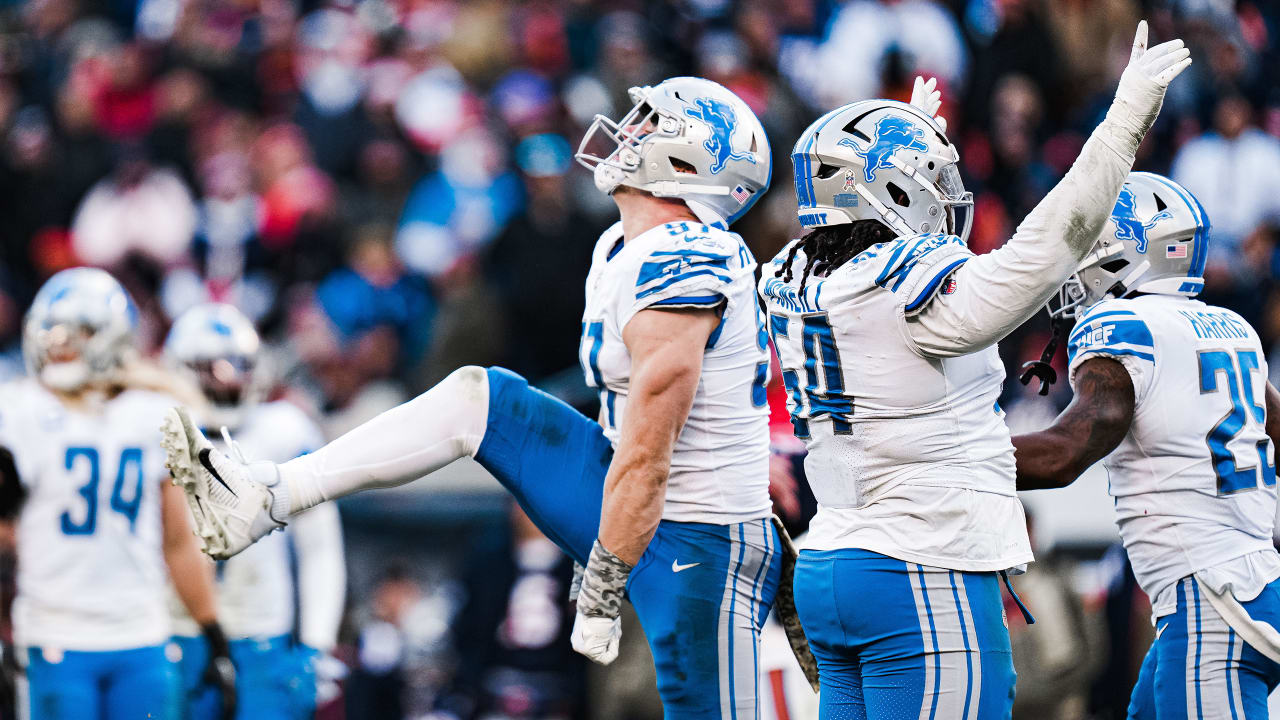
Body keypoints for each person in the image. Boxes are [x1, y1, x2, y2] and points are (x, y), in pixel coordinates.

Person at [163, 76, 781, 718]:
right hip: (629, 498)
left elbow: (652, 449)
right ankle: (263, 499)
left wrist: (604, 575)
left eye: (653, 124)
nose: (630, 131)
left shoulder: (689, 257)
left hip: (700, 537)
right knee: (480, 396)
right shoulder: (623, 246)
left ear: (689, 163)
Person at [759, 22, 1189, 719]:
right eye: (926, 178)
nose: (944, 191)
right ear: (893, 195)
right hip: (920, 567)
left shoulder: (788, 274)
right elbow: (1044, 251)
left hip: (833, 562)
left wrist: (902, 140)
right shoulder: (903, 282)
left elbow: (850, 243)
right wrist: (1122, 126)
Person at [1012, 171, 1280, 718]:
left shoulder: (1124, 324)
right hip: (1245, 589)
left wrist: (948, 455)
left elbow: (1070, 449)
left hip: (1210, 607)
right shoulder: (1229, 326)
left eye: (1089, 241)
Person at [0, 268, 233, 719]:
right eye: (52, 332)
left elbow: (178, 541)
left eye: (78, 332)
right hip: (54, 635)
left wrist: (212, 632)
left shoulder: (154, 414)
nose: (61, 345)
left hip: (141, 636)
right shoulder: (21, 410)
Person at [163, 303, 346, 720]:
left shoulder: (286, 429)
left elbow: (321, 549)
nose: (226, 378)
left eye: (237, 365)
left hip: (262, 639)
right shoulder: (152, 429)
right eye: (209, 366)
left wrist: (317, 644)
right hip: (176, 634)